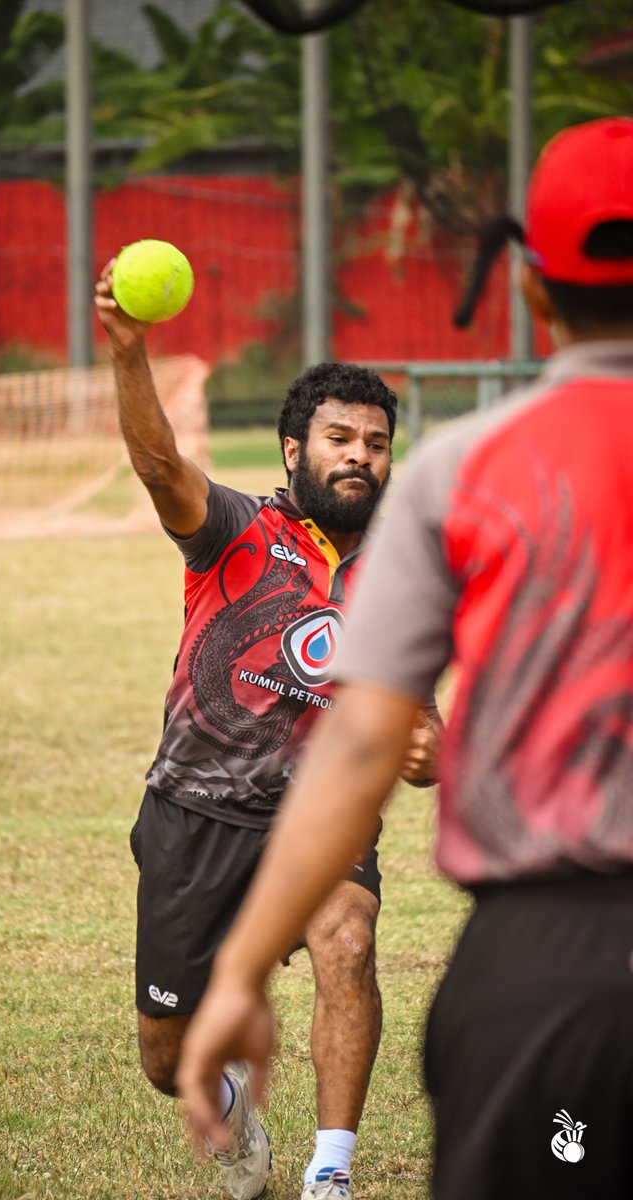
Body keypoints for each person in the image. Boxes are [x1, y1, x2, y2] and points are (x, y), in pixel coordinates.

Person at [176, 115, 633, 1200]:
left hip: (554, 974)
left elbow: (362, 740)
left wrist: (242, 971)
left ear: (528, 287)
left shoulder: (459, 471)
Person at [94, 264, 440, 1200]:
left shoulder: (404, 578)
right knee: (166, 1061)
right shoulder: (235, 530)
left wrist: (430, 752)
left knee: (349, 941)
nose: (358, 455)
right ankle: (233, 1103)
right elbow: (161, 466)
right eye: (338, 438)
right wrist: (131, 354)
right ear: (294, 449)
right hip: (196, 812)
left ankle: (332, 1175)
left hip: (324, 817)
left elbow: (424, 730)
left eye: (375, 442)